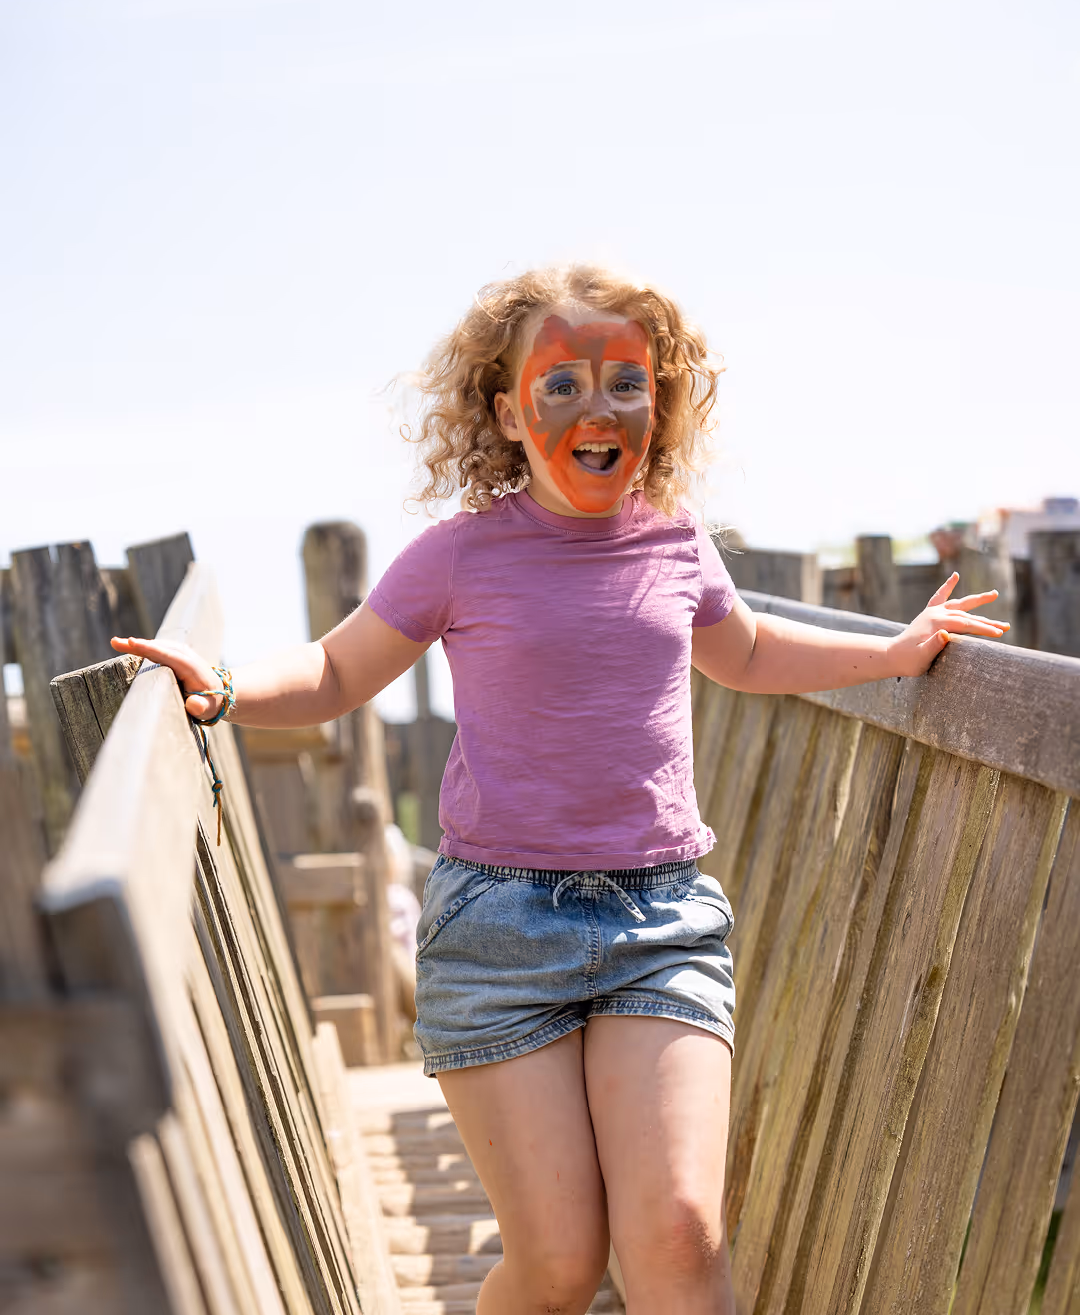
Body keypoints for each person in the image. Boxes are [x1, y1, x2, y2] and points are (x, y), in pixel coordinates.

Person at [112, 265, 1007, 1315]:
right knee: (560, 1266)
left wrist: (895, 657)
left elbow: (750, 652)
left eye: (625, 382)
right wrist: (223, 684)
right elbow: (337, 671)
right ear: (506, 411)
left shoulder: (676, 544)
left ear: (659, 403)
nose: (598, 408)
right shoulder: (457, 557)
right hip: (499, 929)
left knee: (679, 1232)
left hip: (661, 917)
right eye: (562, 383)